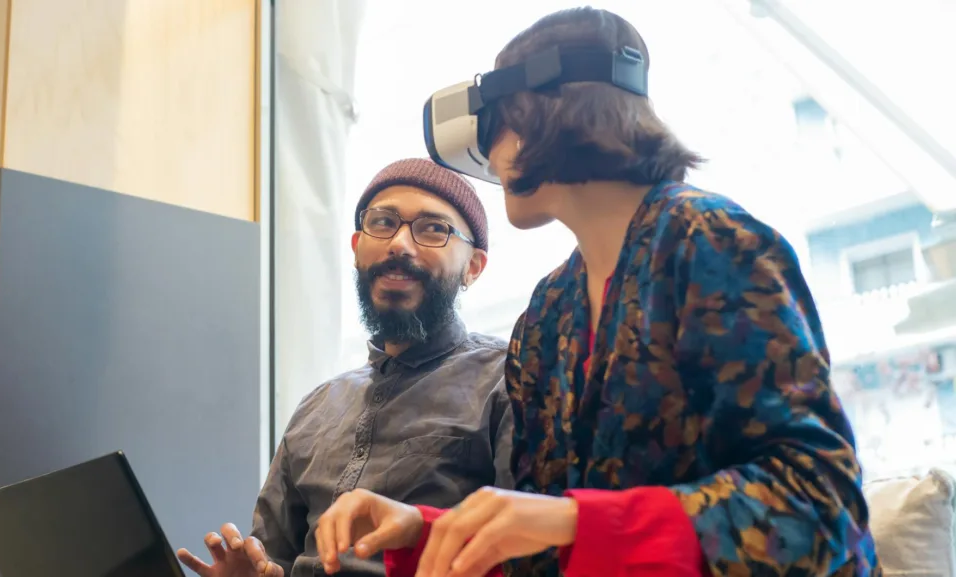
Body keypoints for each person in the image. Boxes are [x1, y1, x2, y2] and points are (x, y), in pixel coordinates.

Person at [313, 7, 880, 577]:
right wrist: (424, 530)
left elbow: (821, 508)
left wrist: (575, 524)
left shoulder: (710, 244)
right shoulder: (547, 313)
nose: (490, 155)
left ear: (538, 115)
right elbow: (551, 537)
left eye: (495, 126)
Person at [176, 158, 515, 577]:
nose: (399, 245)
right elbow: (273, 553)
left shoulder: (507, 380)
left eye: (432, 229)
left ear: (474, 267)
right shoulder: (318, 406)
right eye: (383, 222)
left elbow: (529, 552)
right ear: (357, 248)